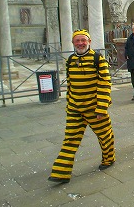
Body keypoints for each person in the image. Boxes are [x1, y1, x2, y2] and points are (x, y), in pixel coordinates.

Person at [48, 29, 115, 184]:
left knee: (105, 136)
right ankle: (61, 172)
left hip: (94, 108)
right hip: (75, 109)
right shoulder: (70, 60)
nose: (80, 43)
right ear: (73, 43)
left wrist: (101, 108)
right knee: (70, 139)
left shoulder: (98, 59)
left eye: (83, 40)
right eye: (77, 41)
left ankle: (109, 159)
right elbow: (70, 84)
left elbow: (105, 83)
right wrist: (69, 104)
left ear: (89, 42)